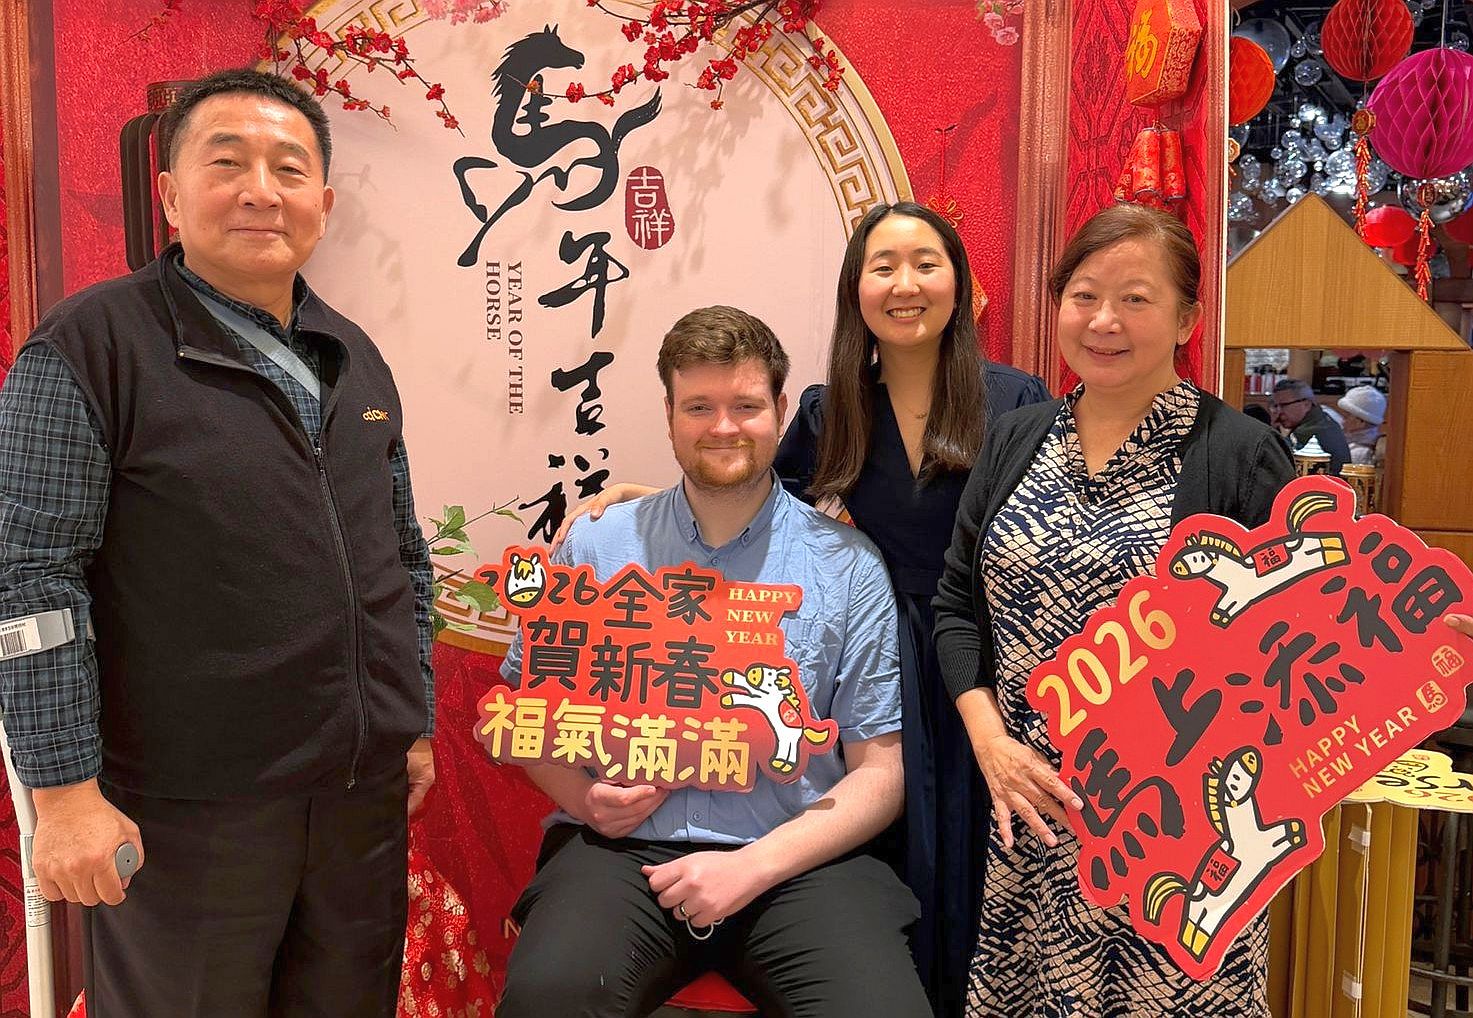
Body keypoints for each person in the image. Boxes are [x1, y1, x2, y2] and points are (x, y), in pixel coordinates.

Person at [0, 69, 435, 1016]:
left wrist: (412, 716)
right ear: (169, 193)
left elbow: (401, 552)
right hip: (185, 811)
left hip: (357, 802)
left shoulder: (353, 353)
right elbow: (30, 579)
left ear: (324, 203)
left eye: (290, 169)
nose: (260, 192)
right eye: (226, 163)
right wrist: (63, 792)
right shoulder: (91, 346)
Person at [551, 201, 1049, 1017]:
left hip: (977, 657)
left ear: (961, 284)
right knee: (902, 863)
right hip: (881, 654)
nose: (904, 284)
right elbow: (753, 492)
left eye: (925, 263)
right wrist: (645, 497)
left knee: (983, 867)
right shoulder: (829, 407)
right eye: (882, 266)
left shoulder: (1014, 400)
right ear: (855, 288)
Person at [496, 306, 932, 1018]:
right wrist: (584, 800)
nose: (723, 427)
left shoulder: (846, 564)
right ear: (668, 415)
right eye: (698, 406)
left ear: (780, 411)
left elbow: (881, 774)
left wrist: (752, 867)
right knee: (548, 998)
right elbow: (528, 721)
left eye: (746, 406)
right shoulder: (597, 548)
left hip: (797, 857)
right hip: (625, 855)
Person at [932, 203, 1294, 1015]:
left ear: (1186, 320)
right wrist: (989, 742)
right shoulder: (1016, 438)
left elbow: (1312, 621)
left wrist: (1424, 639)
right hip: (1032, 809)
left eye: (1135, 299)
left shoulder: (1237, 454)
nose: (1103, 321)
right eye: (1084, 295)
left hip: (1180, 831)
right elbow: (956, 603)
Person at [1269, 378, 1351, 474]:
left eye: (1284, 405)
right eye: (1275, 406)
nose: (1278, 412)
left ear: (1306, 404)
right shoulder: (1324, 420)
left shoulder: (1307, 432)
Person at [1336, 384, 1388, 466]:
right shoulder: (1351, 442)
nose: (1343, 421)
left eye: (1346, 416)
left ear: (1361, 422)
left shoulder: (1358, 453)